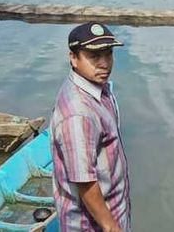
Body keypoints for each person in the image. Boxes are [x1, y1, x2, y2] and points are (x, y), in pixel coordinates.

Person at [50, 22, 131, 232]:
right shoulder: (78, 114)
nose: (105, 63)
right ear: (73, 58)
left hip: (115, 210)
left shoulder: (99, 89)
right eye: (94, 56)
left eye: (109, 54)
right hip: (92, 225)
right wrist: (111, 227)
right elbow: (84, 181)